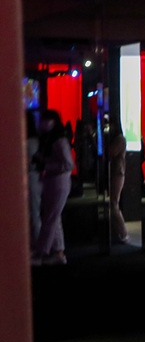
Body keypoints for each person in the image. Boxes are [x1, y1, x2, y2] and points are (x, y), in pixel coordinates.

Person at [33, 109, 74, 266]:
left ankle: (42, 252)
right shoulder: (52, 138)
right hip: (53, 181)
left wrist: (46, 165)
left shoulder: (59, 140)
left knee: (50, 218)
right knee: (54, 218)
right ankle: (58, 252)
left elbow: (68, 164)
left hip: (58, 182)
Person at [109, 117, 129, 244]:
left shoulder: (120, 139)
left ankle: (123, 233)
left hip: (118, 173)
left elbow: (111, 152)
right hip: (115, 172)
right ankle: (118, 232)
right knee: (113, 204)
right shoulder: (118, 139)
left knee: (114, 204)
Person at [26, 112, 42, 250]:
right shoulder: (37, 140)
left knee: (33, 213)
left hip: (30, 177)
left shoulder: (26, 142)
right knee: (35, 212)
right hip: (36, 177)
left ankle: (36, 245)